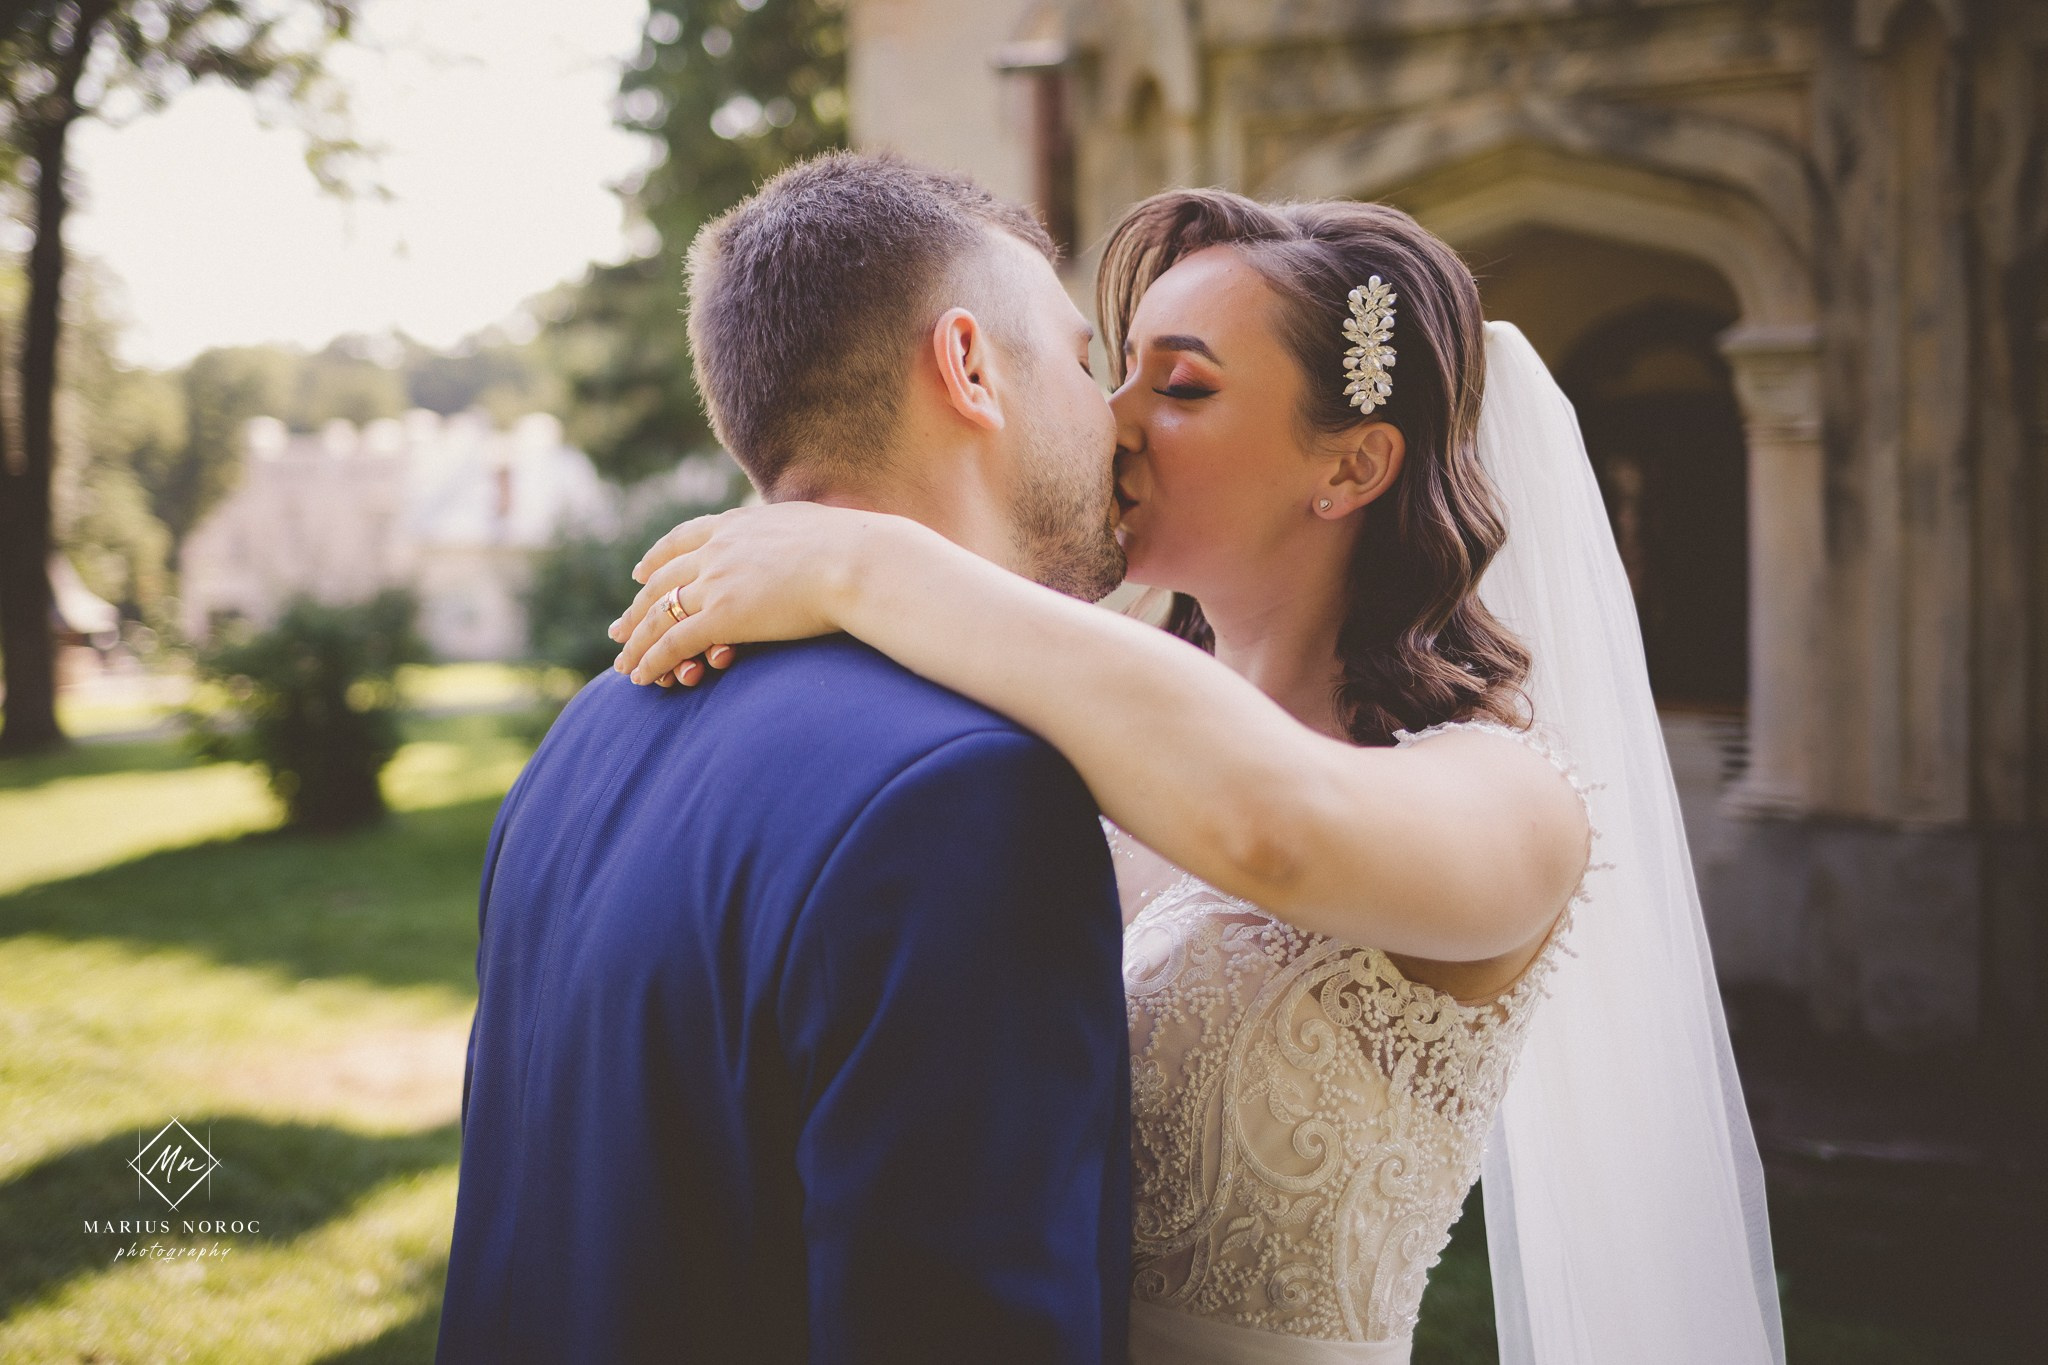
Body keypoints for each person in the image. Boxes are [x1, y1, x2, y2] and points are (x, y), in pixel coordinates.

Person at [612, 186, 1787, 1364]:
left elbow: (1273, 831)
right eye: (1113, 372)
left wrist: (863, 561)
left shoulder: (1515, 799)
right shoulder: (1050, 734)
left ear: (1351, 464)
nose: (1107, 423)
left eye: (1178, 388)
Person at [435, 153, 1134, 1365]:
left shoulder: (593, 727)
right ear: (968, 367)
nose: (1112, 414)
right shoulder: (965, 794)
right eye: (1082, 362)